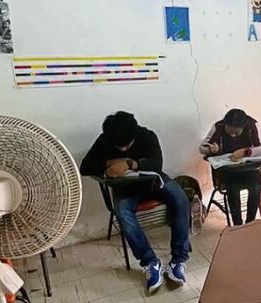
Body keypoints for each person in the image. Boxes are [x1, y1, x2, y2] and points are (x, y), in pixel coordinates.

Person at [81, 111, 191, 293]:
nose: (123, 149)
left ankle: (178, 261)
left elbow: (157, 164)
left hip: (154, 180)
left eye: (127, 145)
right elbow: (85, 167)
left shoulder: (146, 135)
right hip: (126, 188)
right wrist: (111, 162)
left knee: (180, 198)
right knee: (122, 212)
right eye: (119, 147)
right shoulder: (105, 139)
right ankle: (150, 262)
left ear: (135, 132)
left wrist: (131, 164)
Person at [200, 108, 261, 226]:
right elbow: (202, 148)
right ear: (225, 125)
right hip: (228, 173)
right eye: (230, 131)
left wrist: (245, 151)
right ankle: (238, 225)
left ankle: (250, 223)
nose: (233, 135)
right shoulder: (218, 127)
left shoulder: (252, 125)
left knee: (255, 188)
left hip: (248, 170)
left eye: (237, 132)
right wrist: (211, 149)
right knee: (233, 190)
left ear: (243, 127)